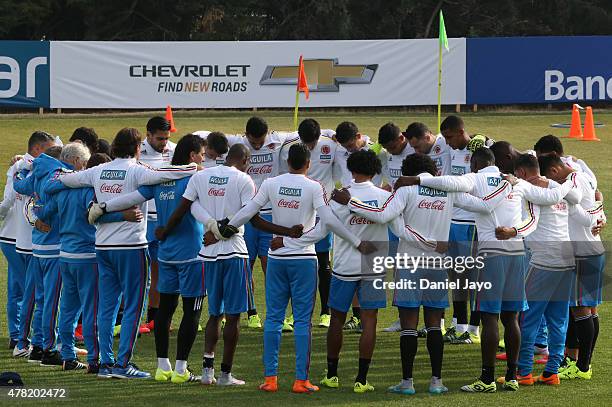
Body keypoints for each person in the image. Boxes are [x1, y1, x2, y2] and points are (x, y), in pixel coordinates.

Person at [395, 147, 576, 393]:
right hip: (517, 254)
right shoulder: (517, 184)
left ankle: (488, 379)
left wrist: (417, 179)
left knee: (489, 317)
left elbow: (451, 182)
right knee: (511, 318)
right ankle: (512, 376)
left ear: (475, 165)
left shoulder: (477, 178)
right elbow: (533, 219)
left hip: (490, 256)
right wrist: (515, 232)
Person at [227, 143, 372, 393]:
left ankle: (270, 379)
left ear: (286, 163)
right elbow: (327, 221)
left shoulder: (271, 183)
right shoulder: (314, 186)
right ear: (308, 164)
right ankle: (300, 380)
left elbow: (249, 211)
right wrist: (357, 241)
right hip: (304, 259)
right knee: (303, 321)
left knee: (273, 318)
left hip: (277, 259)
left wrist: (225, 229)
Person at [59, 127, 197, 379]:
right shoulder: (138, 170)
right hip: (131, 247)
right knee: (133, 306)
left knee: (107, 306)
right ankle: (123, 365)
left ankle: (103, 362)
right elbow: (176, 171)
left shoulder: (98, 171)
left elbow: (68, 179)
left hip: (102, 247)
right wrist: (193, 168)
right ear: (137, 148)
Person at [334, 153, 472, 395]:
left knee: (408, 326)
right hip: (437, 265)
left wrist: (351, 202)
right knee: (434, 326)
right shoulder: (447, 191)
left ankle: (407, 383)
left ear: (408, 173)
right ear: (433, 171)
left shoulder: (406, 190)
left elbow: (384, 217)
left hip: (410, 263)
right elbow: (478, 203)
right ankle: (436, 382)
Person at [274, 150, 401, 393]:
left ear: (351, 170)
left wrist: (287, 242)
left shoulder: (341, 197)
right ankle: (362, 380)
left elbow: (320, 231)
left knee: (337, 320)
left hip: (344, 266)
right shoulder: (384, 197)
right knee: (369, 321)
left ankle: (332, 375)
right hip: (373, 264)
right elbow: (395, 226)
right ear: (375, 171)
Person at [90, 134, 207, 383]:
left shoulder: (159, 179)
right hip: (191, 253)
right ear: (192, 156)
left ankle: (161, 367)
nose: (204, 158)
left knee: (164, 310)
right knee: (191, 311)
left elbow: (132, 198)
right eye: (202, 154)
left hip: (165, 254)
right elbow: (196, 209)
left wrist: (104, 207)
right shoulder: (193, 177)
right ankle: (180, 370)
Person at [43, 147, 140, 372]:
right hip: (87, 256)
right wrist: (122, 215)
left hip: (65, 256)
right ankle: (95, 360)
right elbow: (92, 215)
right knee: (92, 310)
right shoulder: (88, 189)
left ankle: (67, 354)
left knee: (67, 309)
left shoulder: (61, 189)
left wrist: (38, 220)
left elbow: (44, 212)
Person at [494, 154, 582, 386]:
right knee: (558, 320)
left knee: (528, 318)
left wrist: (513, 231)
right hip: (567, 260)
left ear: (522, 173)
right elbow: (577, 199)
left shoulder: (533, 190)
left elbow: (531, 221)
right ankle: (552, 371)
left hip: (545, 261)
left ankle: (523, 372)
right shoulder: (559, 187)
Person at [539, 154, 606, 380]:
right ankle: (581, 363)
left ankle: (582, 367)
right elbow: (595, 205)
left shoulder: (572, 183)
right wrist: (599, 208)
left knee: (581, 310)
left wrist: (594, 209)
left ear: (555, 170)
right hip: (592, 250)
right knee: (589, 310)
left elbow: (584, 214)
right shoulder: (584, 177)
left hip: (581, 254)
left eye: (549, 177)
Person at [279, 119, 345, 330]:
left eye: (312, 143)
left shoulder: (331, 144)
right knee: (294, 262)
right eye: (305, 143)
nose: (308, 148)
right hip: (296, 214)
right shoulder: (289, 147)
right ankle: (292, 314)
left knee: (323, 264)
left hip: (321, 212)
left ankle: (325, 312)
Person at [13, 145, 67, 367]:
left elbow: (20, 187)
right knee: (52, 302)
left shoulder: (35, 174)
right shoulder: (61, 176)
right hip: (55, 248)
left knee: (42, 300)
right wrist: (44, 214)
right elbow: (52, 206)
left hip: (38, 248)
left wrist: (20, 168)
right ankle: (49, 349)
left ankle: (35, 346)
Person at [6, 131, 55, 357]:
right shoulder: (28, 168)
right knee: (33, 294)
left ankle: (29, 341)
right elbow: (24, 204)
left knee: (32, 293)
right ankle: (24, 343)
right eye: (49, 150)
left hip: (27, 241)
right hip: (31, 243)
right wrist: (37, 222)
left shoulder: (25, 167)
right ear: (37, 150)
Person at [439, 115, 481, 344]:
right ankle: (459, 324)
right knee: (455, 274)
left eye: (450, 137)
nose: (447, 142)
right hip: (454, 219)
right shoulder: (451, 151)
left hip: (472, 222)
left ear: (460, 131)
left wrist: (485, 139)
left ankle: (472, 328)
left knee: (471, 276)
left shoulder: (480, 147)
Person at [139, 116, 176, 333]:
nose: (164, 143)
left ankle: (154, 318)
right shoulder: (137, 152)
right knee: (140, 274)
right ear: (148, 135)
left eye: (166, 138)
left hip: (164, 220)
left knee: (160, 271)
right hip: (142, 221)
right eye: (160, 138)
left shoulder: (174, 149)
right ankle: (126, 318)